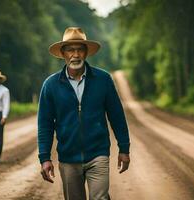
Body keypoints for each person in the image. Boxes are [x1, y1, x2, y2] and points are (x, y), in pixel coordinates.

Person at [38, 27, 130, 200]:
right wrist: (44, 158)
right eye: (70, 50)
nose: (76, 54)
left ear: (86, 52)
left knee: (100, 198)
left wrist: (124, 148)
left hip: (98, 154)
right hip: (67, 158)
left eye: (80, 49)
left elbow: (117, 116)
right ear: (63, 53)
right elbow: (45, 124)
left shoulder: (103, 79)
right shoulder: (50, 85)